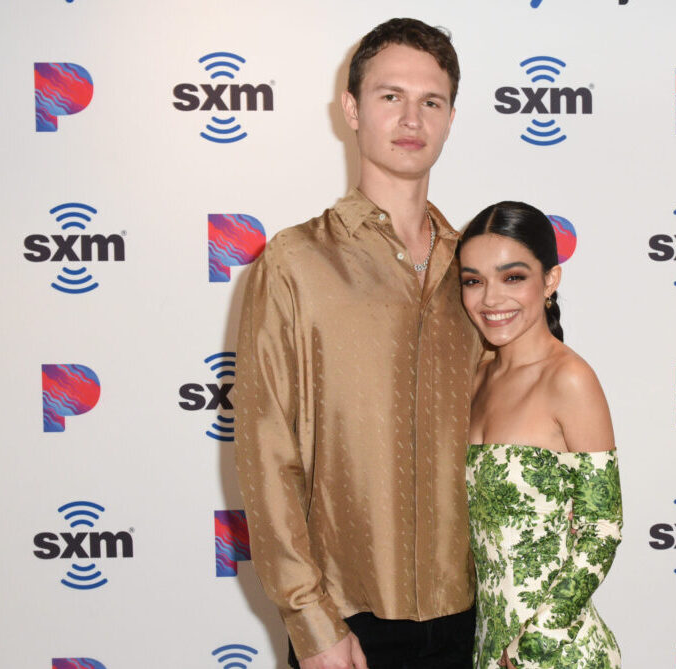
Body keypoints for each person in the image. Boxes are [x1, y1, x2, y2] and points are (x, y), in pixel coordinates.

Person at [233, 18, 481, 669]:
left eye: (430, 101)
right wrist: (311, 621)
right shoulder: (294, 261)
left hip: (476, 617)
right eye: (388, 95)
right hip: (349, 624)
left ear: (451, 117)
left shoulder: (480, 271)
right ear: (350, 109)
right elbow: (266, 449)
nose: (410, 118)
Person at [458, 201, 623, 669]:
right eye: (473, 280)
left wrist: (535, 645)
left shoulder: (569, 379)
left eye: (513, 277)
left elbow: (601, 529)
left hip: (555, 652)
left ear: (550, 280)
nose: (490, 299)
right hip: (487, 645)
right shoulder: (476, 377)